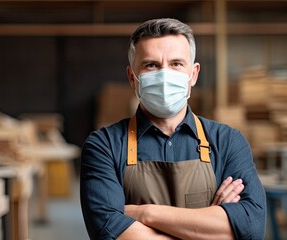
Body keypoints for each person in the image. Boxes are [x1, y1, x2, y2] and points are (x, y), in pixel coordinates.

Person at [80, 18, 266, 240]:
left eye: (176, 64)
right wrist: (211, 229)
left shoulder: (227, 141)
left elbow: (252, 228)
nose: (164, 75)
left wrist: (145, 213)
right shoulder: (104, 146)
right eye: (151, 65)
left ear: (193, 74)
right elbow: (107, 231)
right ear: (132, 78)